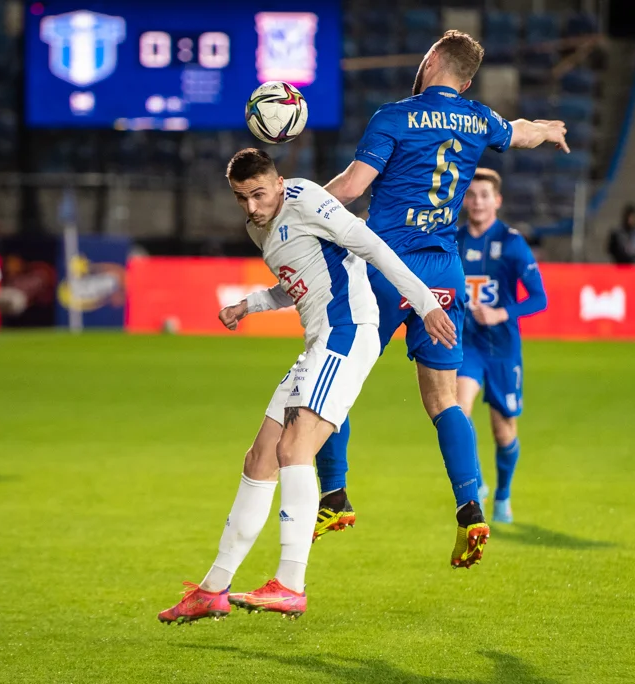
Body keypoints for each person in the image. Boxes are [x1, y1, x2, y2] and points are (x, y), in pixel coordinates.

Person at [157, 149, 455, 624]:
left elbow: (371, 246)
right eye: (241, 198)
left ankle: (290, 584)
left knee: (295, 448)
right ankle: (213, 588)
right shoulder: (259, 228)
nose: (252, 207)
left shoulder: (307, 199)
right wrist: (248, 305)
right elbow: (295, 284)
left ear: (278, 182)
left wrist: (425, 304)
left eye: (258, 193)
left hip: (347, 332)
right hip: (317, 342)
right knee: (259, 458)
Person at [310, 30, 570, 568]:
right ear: (468, 80)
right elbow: (516, 133)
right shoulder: (477, 118)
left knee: (331, 378)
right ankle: (470, 508)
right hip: (443, 272)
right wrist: (545, 129)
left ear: (430, 61)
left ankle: (334, 497)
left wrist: (300, 204)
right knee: (444, 401)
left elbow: (355, 186)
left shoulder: (394, 115)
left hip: (385, 266)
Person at [456, 169, 548, 524]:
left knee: (503, 430)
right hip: (467, 346)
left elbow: (539, 298)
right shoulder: (455, 240)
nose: (477, 202)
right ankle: (476, 482)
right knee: (458, 411)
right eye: (472, 195)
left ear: (497, 201)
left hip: (502, 349)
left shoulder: (511, 243)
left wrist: (502, 313)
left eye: (484, 195)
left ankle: (504, 494)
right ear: (464, 200)